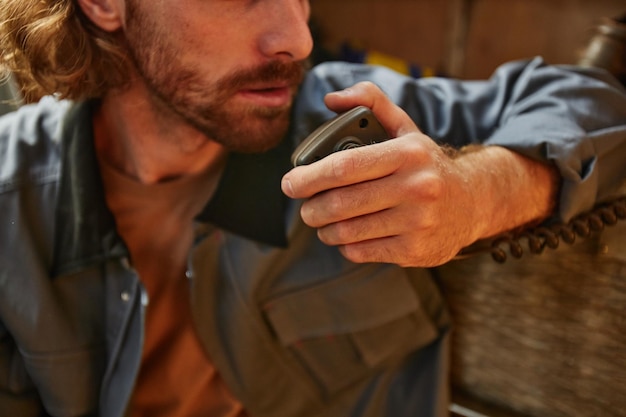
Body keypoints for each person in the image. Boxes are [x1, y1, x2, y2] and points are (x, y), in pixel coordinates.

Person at [0, 1, 625, 416]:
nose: (297, 36)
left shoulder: (355, 122)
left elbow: (596, 101)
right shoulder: (14, 204)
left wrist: (480, 192)